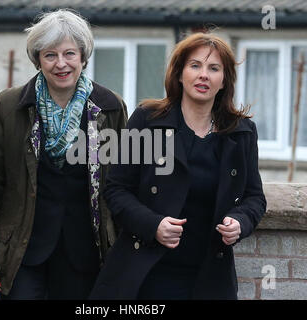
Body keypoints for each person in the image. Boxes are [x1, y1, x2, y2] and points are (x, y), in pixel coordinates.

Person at [89, 32, 266, 300]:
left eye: (214, 68)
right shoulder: (147, 120)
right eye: (195, 66)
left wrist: (240, 222)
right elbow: (116, 189)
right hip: (146, 271)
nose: (203, 75)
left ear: (224, 80)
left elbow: (254, 197)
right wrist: (153, 225)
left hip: (209, 275)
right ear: (180, 74)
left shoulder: (241, 132)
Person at [0, 9, 128, 300]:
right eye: (50, 55)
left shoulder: (110, 107)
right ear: (37, 59)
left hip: (88, 257)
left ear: (83, 57)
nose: (61, 64)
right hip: (23, 256)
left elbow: (123, 186)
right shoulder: (8, 106)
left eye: (69, 54)